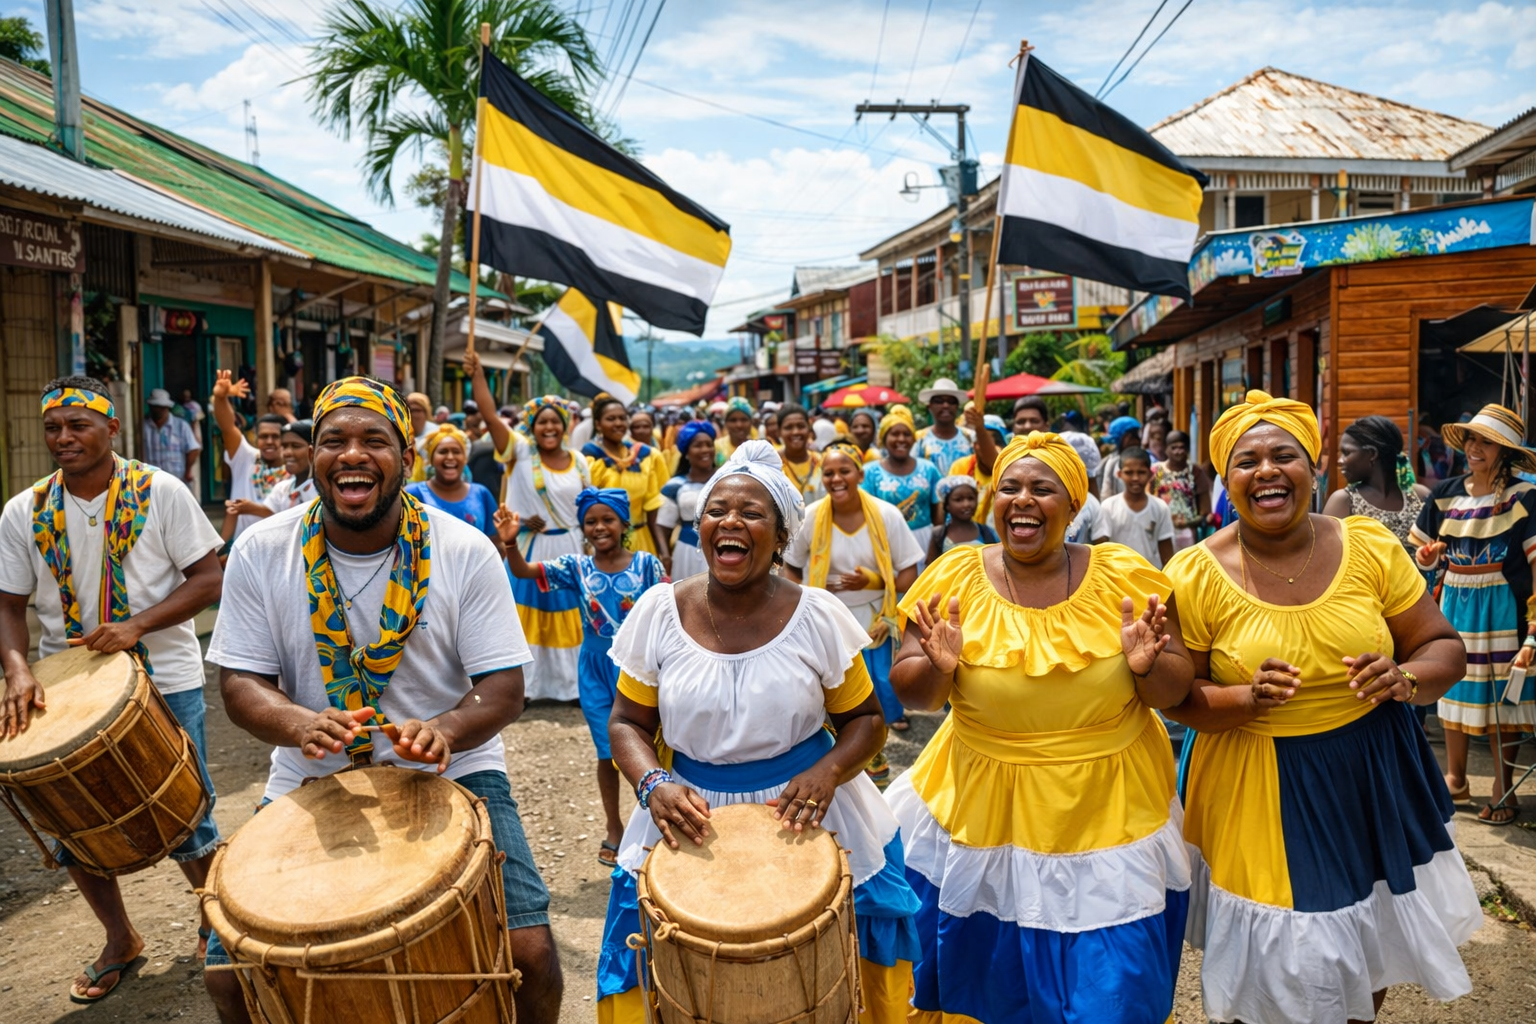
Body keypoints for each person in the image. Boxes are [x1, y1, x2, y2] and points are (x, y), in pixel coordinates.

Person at [204, 376, 561, 1024]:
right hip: (308, 773)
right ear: (311, 457)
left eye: (375, 440)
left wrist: (447, 728)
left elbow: (505, 687)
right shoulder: (260, 549)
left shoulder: (464, 551)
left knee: (530, 953)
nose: (352, 454)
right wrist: (298, 722)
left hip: (454, 768)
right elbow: (239, 684)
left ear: (408, 459)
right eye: (332, 440)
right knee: (228, 974)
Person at [1165, 389, 1478, 1024]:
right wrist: (1244, 696)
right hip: (1255, 778)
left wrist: (1405, 676)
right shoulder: (1194, 574)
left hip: (1371, 768)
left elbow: (1442, 646)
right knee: (1283, 954)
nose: (1267, 471)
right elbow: (1181, 699)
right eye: (1246, 462)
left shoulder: (1368, 547)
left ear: (1314, 467)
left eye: (1284, 455)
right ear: (1227, 481)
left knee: (1365, 942)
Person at [597, 441, 921, 1024]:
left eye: (752, 514)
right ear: (700, 529)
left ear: (779, 539)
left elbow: (867, 721)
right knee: (667, 969)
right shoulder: (659, 612)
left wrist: (827, 771)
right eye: (718, 510)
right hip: (686, 814)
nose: (731, 522)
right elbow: (626, 723)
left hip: (809, 814)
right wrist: (652, 784)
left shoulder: (816, 616)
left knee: (838, 972)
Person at [889, 432, 1195, 1024]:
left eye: (1041, 489)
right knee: (993, 988)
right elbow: (916, 692)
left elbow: (1174, 689)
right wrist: (937, 666)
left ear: (1075, 504)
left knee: (1114, 992)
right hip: (983, 804)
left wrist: (1148, 665)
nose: (1022, 500)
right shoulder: (953, 575)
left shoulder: (1125, 577)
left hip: (1108, 807)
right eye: (1009, 487)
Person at [0, 376, 224, 1003]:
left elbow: (209, 579)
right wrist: (17, 669)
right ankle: (120, 938)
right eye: (53, 428)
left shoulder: (161, 492)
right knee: (68, 822)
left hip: (163, 676)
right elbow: (9, 604)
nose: (63, 439)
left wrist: (138, 625)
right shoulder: (24, 511)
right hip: (64, 687)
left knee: (184, 811)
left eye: (78, 426)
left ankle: (215, 921)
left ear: (112, 430)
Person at [497, 490, 667, 868]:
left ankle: (656, 820)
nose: (599, 527)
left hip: (639, 669)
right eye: (591, 522)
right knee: (608, 751)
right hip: (594, 670)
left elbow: (667, 609)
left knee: (652, 746)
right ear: (583, 529)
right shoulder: (577, 567)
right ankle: (614, 827)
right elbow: (524, 571)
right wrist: (510, 541)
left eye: (608, 519)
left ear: (624, 524)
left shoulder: (648, 566)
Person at [1410, 403, 1536, 822]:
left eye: (1487, 441)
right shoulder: (1446, 494)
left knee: (1505, 696)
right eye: (1472, 439)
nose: (1475, 447)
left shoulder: (1526, 498)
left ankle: (1503, 787)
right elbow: (1423, 557)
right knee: (1453, 688)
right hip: (1454, 602)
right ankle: (1456, 780)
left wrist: (1534, 630)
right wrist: (1428, 558)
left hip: (1503, 606)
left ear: (1507, 451)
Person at [464, 352, 589, 703]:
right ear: (531, 426)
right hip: (528, 548)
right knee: (525, 618)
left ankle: (569, 687)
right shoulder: (519, 451)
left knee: (569, 617)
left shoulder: (579, 461)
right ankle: (528, 688)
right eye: (541, 422)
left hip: (569, 548)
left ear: (565, 425)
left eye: (556, 422)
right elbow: (489, 416)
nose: (549, 428)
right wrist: (476, 375)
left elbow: (584, 507)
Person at [785, 440, 924, 744]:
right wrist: (802, 600)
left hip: (874, 613)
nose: (836, 479)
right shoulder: (810, 516)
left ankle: (880, 735)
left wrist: (874, 581)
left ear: (860, 475)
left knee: (880, 681)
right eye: (828, 473)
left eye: (844, 471)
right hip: (825, 616)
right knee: (832, 686)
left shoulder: (886, 515)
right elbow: (790, 566)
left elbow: (910, 573)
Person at [584, 394, 671, 566]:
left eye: (622, 418)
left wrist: (663, 551)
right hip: (604, 545)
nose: (618, 423)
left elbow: (652, 508)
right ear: (598, 424)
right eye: (611, 419)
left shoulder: (644, 457)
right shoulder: (590, 459)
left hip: (642, 541)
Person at [1323, 415, 1429, 553]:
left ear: (1372, 454)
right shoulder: (1344, 501)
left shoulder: (1420, 496)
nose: (1340, 461)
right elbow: (1326, 557)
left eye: (1347, 452)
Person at [210, 370, 287, 542]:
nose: (269, 441)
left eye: (275, 437)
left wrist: (252, 508)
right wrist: (221, 399)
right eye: (263, 436)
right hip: (245, 551)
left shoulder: (296, 470)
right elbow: (228, 427)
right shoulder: (246, 458)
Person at [405, 424, 503, 554]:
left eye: (456, 452)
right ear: (431, 459)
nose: (450, 457)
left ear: (465, 458)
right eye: (443, 452)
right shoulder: (413, 494)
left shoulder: (481, 493)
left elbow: (495, 543)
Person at [862, 405, 942, 558]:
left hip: (925, 542)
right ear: (884, 439)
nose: (901, 439)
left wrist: (937, 545)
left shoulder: (929, 469)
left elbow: (937, 510)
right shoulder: (870, 472)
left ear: (913, 438)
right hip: (884, 541)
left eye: (906, 434)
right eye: (894, 434)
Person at [1096, 447, 1175, 569]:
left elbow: (1166, 553)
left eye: (1141, 472)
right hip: (1118, 578)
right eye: (1129, 472)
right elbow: (1101, 549)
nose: (1135, 478)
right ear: (1119, 474)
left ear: (1150, 474)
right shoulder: (1108, 507)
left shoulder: (1160, 507)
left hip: (1150, 579)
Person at [657, 419, 716, 581]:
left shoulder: (726, 479)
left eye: (709, 444)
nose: (705, 449)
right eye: (698, 445)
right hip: (687, 552)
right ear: (686, 452)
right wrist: (665, 556)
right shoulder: (676, 486)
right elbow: (662, 525)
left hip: (722, 548)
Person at [1151, 429, 1211, 551]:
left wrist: (1187, 523)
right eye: (1173, 448)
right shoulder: (1157, 471)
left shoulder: (1195, 472)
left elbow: (1205, 510)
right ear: (1166, 449)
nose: (1178, 452)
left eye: (1181, 447)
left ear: (1188, 449)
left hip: (1189, 534)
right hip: (1159, 530)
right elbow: (1149, 497)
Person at [926, 475, 998, 563]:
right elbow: (930, 568)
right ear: (947, 505)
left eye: (971, 498)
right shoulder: (939, 535)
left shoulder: (987, 533)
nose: (966, 504)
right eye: (958, 500)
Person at [950, 408, 1004, 525]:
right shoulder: (960, 466)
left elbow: (994, 460)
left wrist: (980, 428)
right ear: (974, 445)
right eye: (982, 440)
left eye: (997, 441)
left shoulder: (1007, 463)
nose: (993, 446)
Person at [141, 387, 201, 489]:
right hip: (151, 481)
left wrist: (187, 470)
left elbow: (193, 449)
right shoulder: (144, 427)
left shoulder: (181, 425)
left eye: (161, 407)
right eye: (155, 407)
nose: (157, 410)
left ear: (167, 407)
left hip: (176, 479)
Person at [914, 377, 973, 471]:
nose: (945, 405)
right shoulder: (918, 438)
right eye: (939, 401)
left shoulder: (971, 437)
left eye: (951, 401)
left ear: (957, 406)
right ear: (930, 406)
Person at [776, 403, 826, 504]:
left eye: (801, 426)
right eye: (788, 427)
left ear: (809, 429)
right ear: (779, 432)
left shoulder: (823, 462)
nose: (795, 432)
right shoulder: (772, 465)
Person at [1099, 415, 1143, 498]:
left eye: (1136, 435)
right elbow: (1106, 493)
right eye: (1132, 437)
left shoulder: (1146, 459)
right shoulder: (1112, 462)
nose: (1135, 440)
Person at [629, 408, 675, 478]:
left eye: (646, 426)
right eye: (637, 427)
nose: (641, 431)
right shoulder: (626, 450)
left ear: (651, 428)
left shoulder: (656, 442)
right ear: (631, 430)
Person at [404, 391, 438, 483]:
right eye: (410, 410)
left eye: (417, 410)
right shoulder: (399, 432)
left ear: (426, 412)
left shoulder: (436, 434)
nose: (413, 415)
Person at [717, 395, 756, 461]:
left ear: (751, 422)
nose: (739, 425)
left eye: (744, 420)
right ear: (725, 423)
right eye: (733, 420)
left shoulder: (756, 448)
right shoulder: (717, 447)